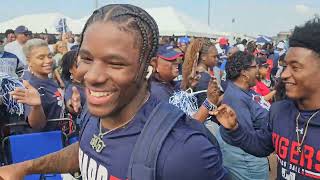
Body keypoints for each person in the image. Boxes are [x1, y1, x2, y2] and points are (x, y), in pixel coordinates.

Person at [0, 4, 228, 179]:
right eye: (86, 58)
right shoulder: (94, 109)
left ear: (149, 66)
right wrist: (25, 167)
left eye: (116, 63)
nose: (92, 76)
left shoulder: (184, 151)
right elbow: (88, 150)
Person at [215, 17, 320, 179]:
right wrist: (235, 128)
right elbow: (261, 146)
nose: (284, 74)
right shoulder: (279, 111)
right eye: (285, 66)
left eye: (295, 67)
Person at [215, 51, 270, 180]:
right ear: (244, 73)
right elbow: (245, 137)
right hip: (247, 159)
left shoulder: (243, 91)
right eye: (255, 66)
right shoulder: (237, 98)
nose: (258, 69)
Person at [11, 39, 65, 131]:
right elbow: (36, 126)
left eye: (49, 56)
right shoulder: (29, 86)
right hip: (44, 141)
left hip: (60, 136)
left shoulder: (49, 80)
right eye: (41, 57)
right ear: (29, 61)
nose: (48, 61)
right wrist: (37, 107)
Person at [60, 50, 86, 115]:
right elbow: (71, 106)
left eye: (86, 64)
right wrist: (74, 107)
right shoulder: (71, 90)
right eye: (78, 66)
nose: (84, 69)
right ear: (70, 69)